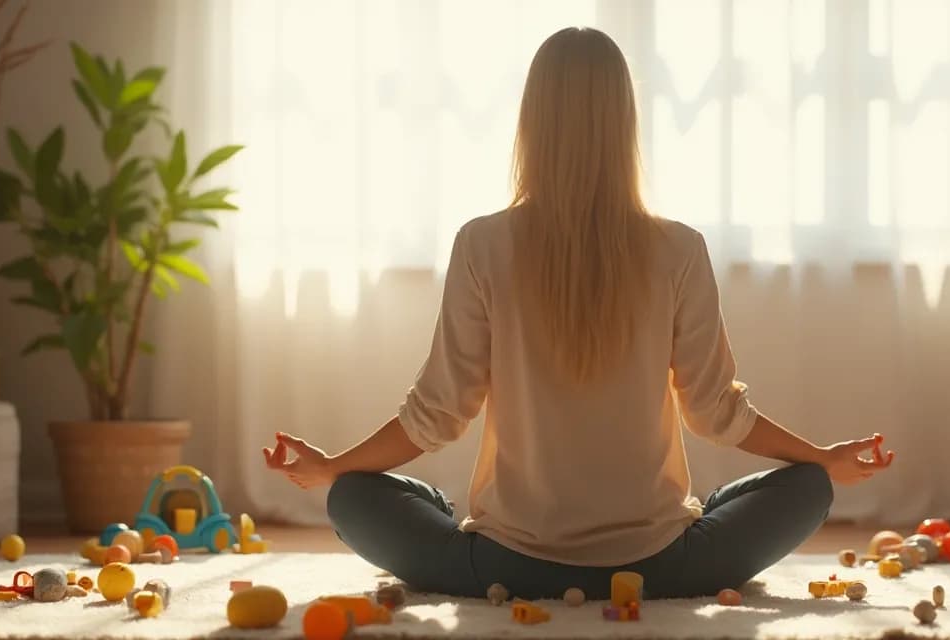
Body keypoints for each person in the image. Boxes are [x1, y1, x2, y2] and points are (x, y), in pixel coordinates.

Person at [262, 26, 894, 600]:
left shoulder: (482, 243)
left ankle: (437, 515)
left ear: (530, 122)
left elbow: (436, 413)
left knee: (352, 498)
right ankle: (704, 513)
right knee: (809, 488)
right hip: (661, 567)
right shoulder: (679, 248)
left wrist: (334, 467)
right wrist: (821, 456)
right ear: (625, 122)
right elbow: (715, 412)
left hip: (503, 568)